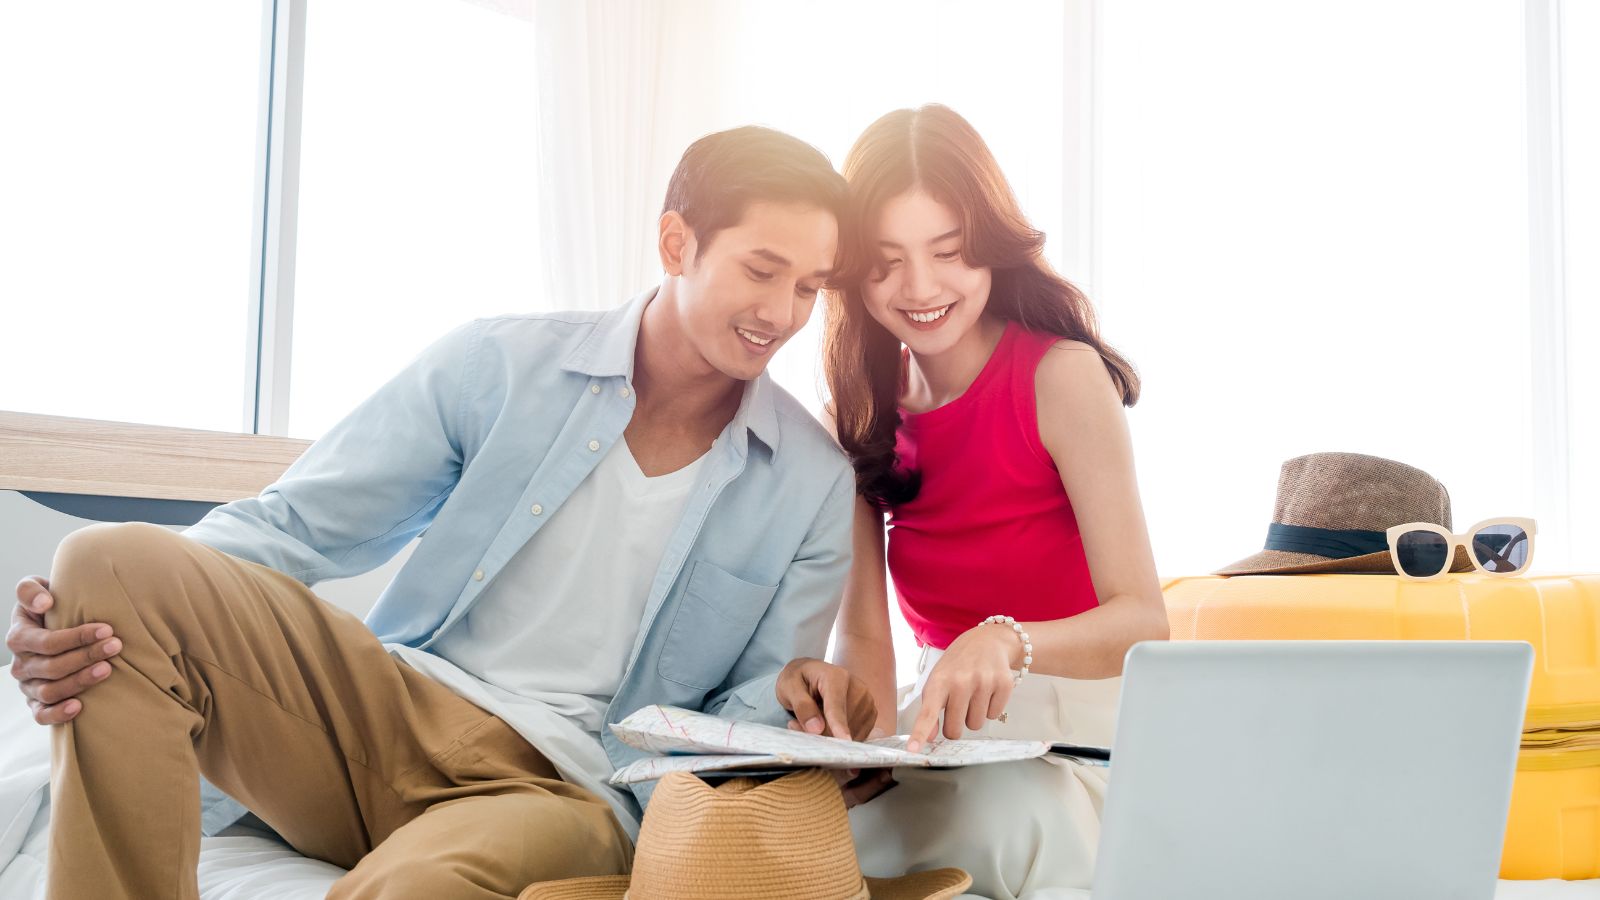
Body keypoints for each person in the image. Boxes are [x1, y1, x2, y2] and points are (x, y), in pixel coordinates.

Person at [7, 125, 878, 900]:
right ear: (676, 243)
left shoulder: (808, 481)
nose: (783, 314)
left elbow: (741, 713)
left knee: (418, 886)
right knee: (106, 562)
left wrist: (793, 698)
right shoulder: (497, 366)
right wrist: (73, 609)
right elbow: (294, 527)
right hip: (392, 708)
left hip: (567, 786)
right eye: (762, 271)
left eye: (810, 287)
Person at [824, 105, 1170, 898]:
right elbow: (867, 639)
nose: (920, 288)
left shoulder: (1060, 377)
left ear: (988, 249)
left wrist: (1006, 641)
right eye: (886, 262)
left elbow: (1142, 620)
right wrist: (858, 752)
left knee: (1014, 816)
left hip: (1082, 740)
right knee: (809, 838)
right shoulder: (860, 417)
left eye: (947, 252)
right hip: (948, 739)